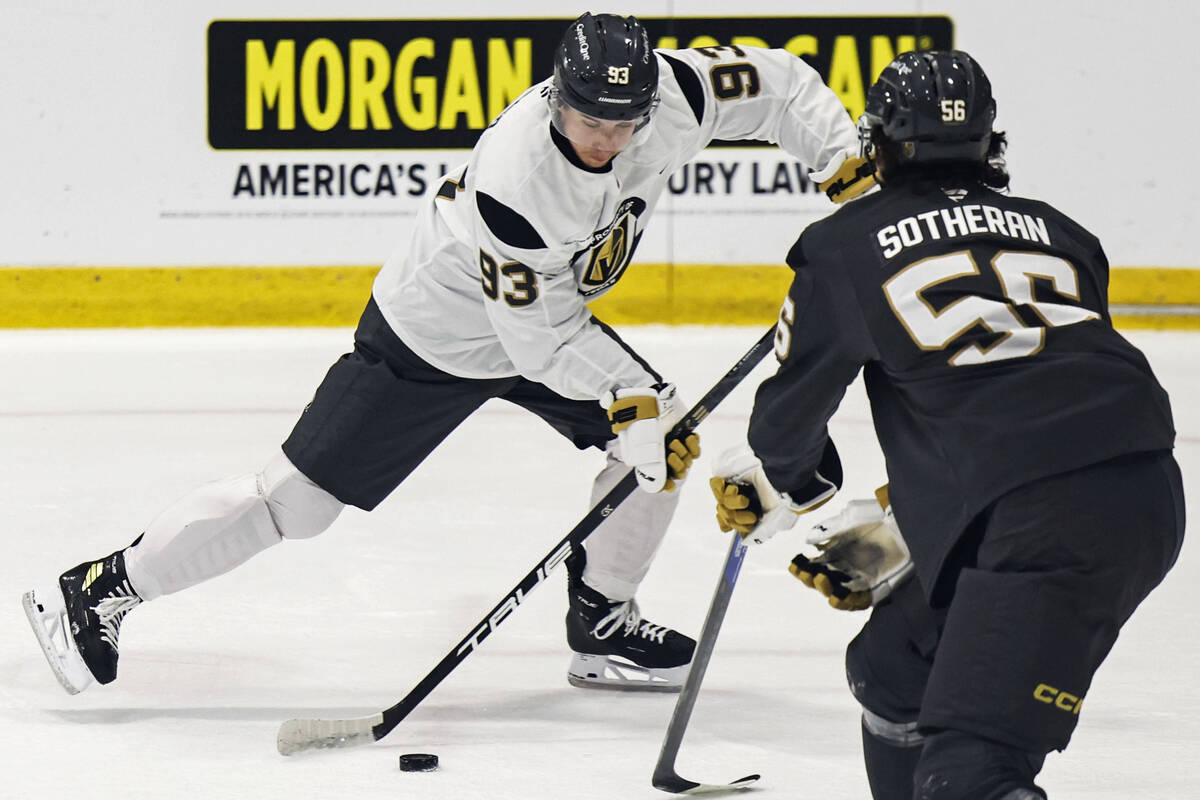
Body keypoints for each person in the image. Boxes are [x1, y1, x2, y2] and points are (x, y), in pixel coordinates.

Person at [24, 13, 873, 699]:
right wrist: (629, 399)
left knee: (660, 438)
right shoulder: (518, 177)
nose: (609, 138)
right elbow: (535, 340)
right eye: (589, 120)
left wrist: (846, 165)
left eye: (625, 121)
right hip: (434, 335)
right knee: (301, 504)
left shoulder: (671, 94)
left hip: (548, 318)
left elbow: (779, 86)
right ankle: (99, 591)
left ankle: (600, 621)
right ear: (554, 103)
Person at [710, 50, 1184, 799]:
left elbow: (784, 430)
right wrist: (913, 522)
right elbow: (1024, 396)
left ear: (877, 144)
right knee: (893, 668)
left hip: (1052, 525)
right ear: (991, 143)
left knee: (968, 777)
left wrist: (796, 483)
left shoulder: (842, 246)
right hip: (1131, 488)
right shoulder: (1066, 235)